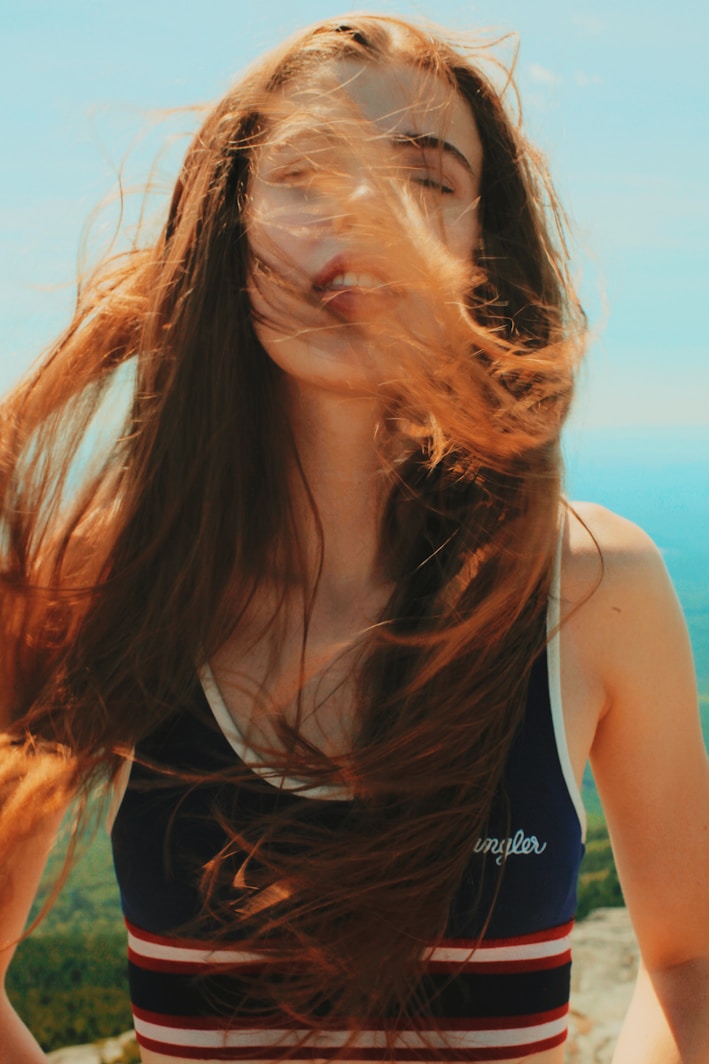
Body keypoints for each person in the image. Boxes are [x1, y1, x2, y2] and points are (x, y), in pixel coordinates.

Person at [0, 13, 707, 1064]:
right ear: (228, 226)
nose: (365, 214)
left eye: (424, 177)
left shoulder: (590, 586)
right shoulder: (95, 588)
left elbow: (690, 957)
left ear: (482, 249)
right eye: (307, 172)